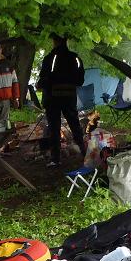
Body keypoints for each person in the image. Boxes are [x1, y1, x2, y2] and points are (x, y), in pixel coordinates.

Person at [37, 34, 86, 167]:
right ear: (66, 41)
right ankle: (85, 153)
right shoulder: (75, 58)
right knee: (75, 126)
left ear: (55, 41)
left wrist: (40, 85)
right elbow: (80, 81)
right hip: (69, 99)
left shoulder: (50, 58)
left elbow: (44, 79)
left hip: (52, 100)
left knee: (54, 129)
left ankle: (55, 159)